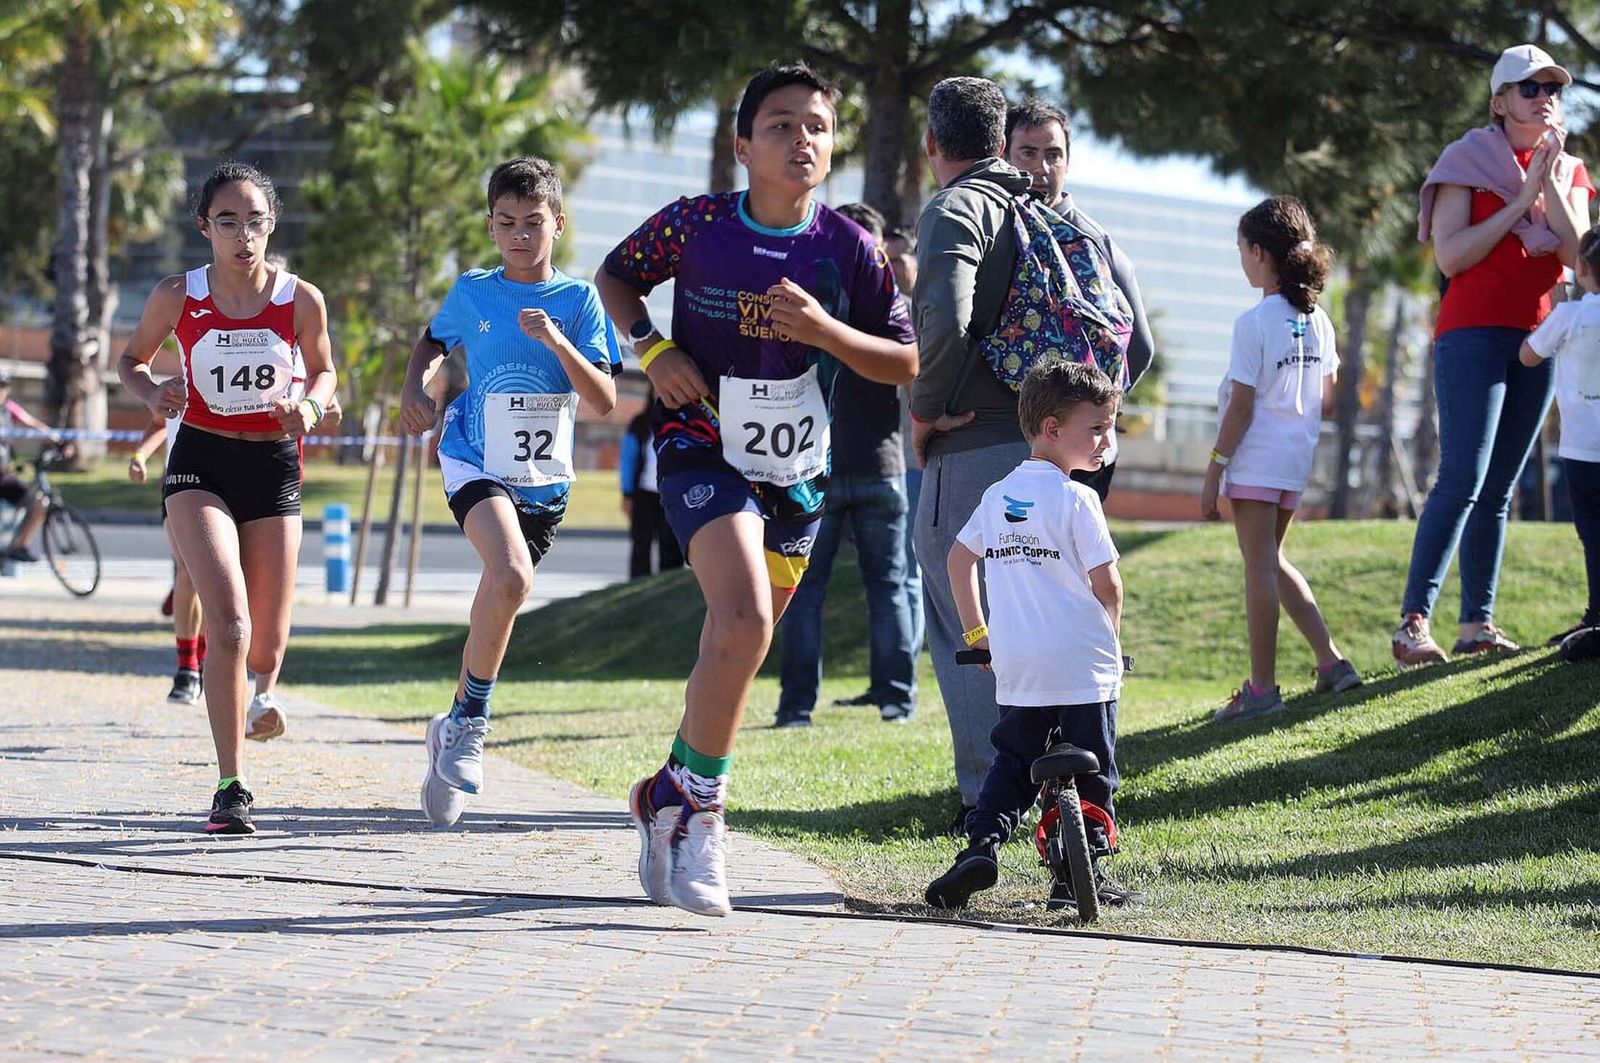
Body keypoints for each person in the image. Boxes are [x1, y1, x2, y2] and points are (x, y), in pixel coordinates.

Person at [597, 64, 917, 916]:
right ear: (742, 145)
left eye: (815, 125)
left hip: (797, 471)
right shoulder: (698, 225)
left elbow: (905, 357)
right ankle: (704, 819)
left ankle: (666, 786)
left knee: (740, 643)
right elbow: (616, 275)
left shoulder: (849, 247)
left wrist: (825, 330)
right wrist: (654, 350)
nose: (800, 139)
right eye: (779, 125)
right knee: (738, 618)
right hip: (701, 441)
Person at [117, 160, 337, 835]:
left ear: (271, 225)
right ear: (204, 227)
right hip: (200, 463)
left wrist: (310, 403)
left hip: (272, 466)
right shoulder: (176, 295)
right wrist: (154, 393)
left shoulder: (301, 298)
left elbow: (326, 370)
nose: (243, 235)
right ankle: (231, 786)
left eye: (255, 222)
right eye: (228, 222)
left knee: (266, 644)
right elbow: (131, 360)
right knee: (231, 625)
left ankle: (259, 693)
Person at [401, 157, 621, 829]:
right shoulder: (473, 290)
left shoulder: (579, 301)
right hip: (474, 458)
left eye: (534, 222)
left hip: (544, 483)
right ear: (491, 227)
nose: (521, 235)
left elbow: (606, 400)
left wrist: (557, 340)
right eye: (507, 223)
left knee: (503, 589)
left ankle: (450, 723)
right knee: (511, 573)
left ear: (557, 222)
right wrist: (417, 388)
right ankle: (472, 721)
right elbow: (431, 342)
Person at [1397, 44, 1594, 666]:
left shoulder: (1573, 168)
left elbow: (1576, 257)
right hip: (1472, 332)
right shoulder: (1466, 160)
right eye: (1529, 89)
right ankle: (1412, 625)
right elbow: (1451, 258)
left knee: (1500, 487)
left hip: (1538, 339)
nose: (1544, 99)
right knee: (1462, 476)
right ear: (1499, 102)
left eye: (1551, 90)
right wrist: (1518, 199)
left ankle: (1475, 623)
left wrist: (1551, 181)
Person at [924, 359, 1132, 909]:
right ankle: (1080, 872)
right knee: (1094, 764)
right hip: (1083, 665)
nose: (1105, 441)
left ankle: (982, 846)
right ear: (1051, 429)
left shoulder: (997, 496)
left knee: (1013, 762)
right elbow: (1109, 585)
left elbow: (958, 560)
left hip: (1018, 665)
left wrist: (978, 634)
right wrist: (1112, 638)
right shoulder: (1078, 498)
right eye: (1097, 428)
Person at [909, 75, 1037, 832]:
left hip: (977, 440)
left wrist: (926, 410)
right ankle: (1063, 780)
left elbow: (946, 317)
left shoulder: (959, 206)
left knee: (966, 617)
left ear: (932, 144)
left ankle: (988, 798)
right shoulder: (1049, 206)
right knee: (1034, 613)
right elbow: (1138, 338)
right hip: (1058, 449)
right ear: (999, 140)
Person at [1201, 196, 1361, 721]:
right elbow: (1329, 398)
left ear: (1260, 253)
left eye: (1244, 250)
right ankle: (1332, 664)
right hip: (1294, 462)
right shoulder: (1320, 321)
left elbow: (1241, 408)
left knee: (1259, 569)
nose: (1242, 259)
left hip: (1254, 464)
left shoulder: (1252, 324)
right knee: (1272, 562)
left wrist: (1214, 470)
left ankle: (1263, 690)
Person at [775, 201, 918, 727]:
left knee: (805, 591)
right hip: (883, 465)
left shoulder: (808, 303)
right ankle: (897, 702)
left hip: (816, 464)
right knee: (889, 588)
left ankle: (796, 708)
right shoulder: (892, 309)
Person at [1003, 98, 1157, 501]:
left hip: (1079, 457)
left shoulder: (1093, 242)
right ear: (1003, 154)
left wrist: (1089, 416)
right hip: (1012, 445)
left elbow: (1138, 346)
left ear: (1068, 163)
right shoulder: (1000, 228)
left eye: (1053, 155)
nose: (1040, 168)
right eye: (1028, 153)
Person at [1519, 224, 1600, 648]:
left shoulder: (1569, 316)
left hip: (1584, 450)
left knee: (1593, 531)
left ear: (1581, 268)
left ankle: (1596, 615)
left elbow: (1528, 355)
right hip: (1582, 449)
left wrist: (1556, 312)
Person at [129, 414, 206, 704]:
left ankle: (205, 656)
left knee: (215, 577)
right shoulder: (180, 384)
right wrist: (140, 455)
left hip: (226, 483)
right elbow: (160, 421)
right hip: (181, 481)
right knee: (188, 570)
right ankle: (187, 668)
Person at [620, 385, 683, 578]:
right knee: (641, 543)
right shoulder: (640, 424)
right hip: (644, 494)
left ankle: (669, 582)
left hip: (673, 494)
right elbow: (628, 460)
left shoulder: (684, 422)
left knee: (671, 544)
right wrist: (627, 493)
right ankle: (637, 583)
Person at [0, 372, 56, 564]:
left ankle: (19, 545)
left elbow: (30, 422)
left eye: (4, 387)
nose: (1, 391)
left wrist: (55, 437)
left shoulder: (8, 408)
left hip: (2, 476)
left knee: (39, 504)